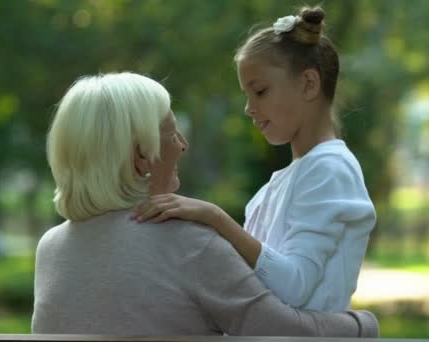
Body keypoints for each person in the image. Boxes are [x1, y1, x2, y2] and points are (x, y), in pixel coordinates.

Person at [31, 72, 379, 337]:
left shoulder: (51, 249)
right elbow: (283, 332)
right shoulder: (187, 242)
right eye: (172, 133)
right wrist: (365, 325)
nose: (182, 145)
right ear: (142, 157)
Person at [132, 6, 376, 313]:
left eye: (259, 91)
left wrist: (214, 218)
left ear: (308, 84)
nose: (248, 108)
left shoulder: (330, 169)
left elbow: (295, 287)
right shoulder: (278, 184)